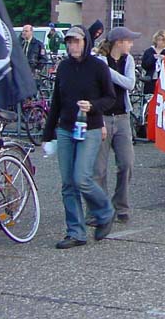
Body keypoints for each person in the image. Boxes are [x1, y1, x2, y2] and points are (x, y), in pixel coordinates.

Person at [42, 25, 116, 249]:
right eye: (69, 42)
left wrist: (93, 106)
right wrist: (48, 134)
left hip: (90, 128)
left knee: (81, 178)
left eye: (77, 41)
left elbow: (110, 98)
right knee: (68, 184)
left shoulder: (97, 67)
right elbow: (56, 101)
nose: (73, 45)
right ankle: (75, 232)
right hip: (66, 128)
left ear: (85, 42)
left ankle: (105, 211)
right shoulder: (63, 67)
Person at [92, 27, 140, 224]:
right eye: (129, 41)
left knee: (127, 163)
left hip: (122, 116)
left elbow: (129, 84)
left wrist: (109, 73)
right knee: (99, 169)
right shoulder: (99, 61)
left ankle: (121, 204)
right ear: (119, 41)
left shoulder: (127, 60)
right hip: (102, 117)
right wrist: (107, 71)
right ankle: (100, 209)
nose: (131, 44)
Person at [141, 30, 165, 95]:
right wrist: (153, 58)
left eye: (163, 40)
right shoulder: (149, 51)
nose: (160, 42)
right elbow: (144, 65)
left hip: (163, 81)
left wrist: (164, 59)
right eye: (158, 40)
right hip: (150, 80)